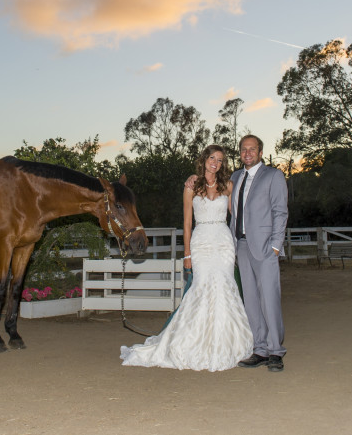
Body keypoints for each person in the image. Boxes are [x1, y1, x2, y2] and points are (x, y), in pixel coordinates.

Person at [120, 145, 253, 371]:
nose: (216, 163)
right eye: (212, 158)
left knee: (225, 287)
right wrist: (187, 254)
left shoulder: (228, 185)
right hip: (201, 242)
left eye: (220, 160)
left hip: (222, 242)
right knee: (201, 288)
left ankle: (228, 343)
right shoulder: (191, 186)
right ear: (204, 159)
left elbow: (237, 216)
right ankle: (194, 341)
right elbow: (187, 224)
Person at [230, 134, 289, 372]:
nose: (247, 153)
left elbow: (280, 212)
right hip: (242, 246)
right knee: (251, 300)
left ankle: (276, 350)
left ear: (260, 152)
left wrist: (276, 245)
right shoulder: (235, 177)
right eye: (244, 149)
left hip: (265, 247)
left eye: (252, 149)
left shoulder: (273, 176)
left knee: (269, 299)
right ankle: (260, 349)